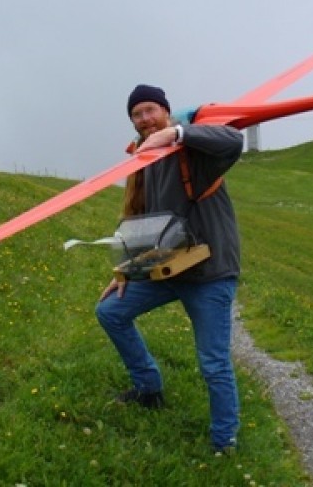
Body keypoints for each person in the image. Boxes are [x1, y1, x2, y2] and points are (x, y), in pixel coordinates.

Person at [95, 84, 244, 454]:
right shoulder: (144, 162)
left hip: (210, 275)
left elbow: (233, 140)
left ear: (165, 111)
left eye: (150, 110)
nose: (145, 119)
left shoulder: (191, 148)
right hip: (167, 271)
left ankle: (224, 440)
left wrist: (177, 134)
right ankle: (148, 389)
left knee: (213, 362)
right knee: (110, 312)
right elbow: (146, 225)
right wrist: (125, 272)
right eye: (137, 114)